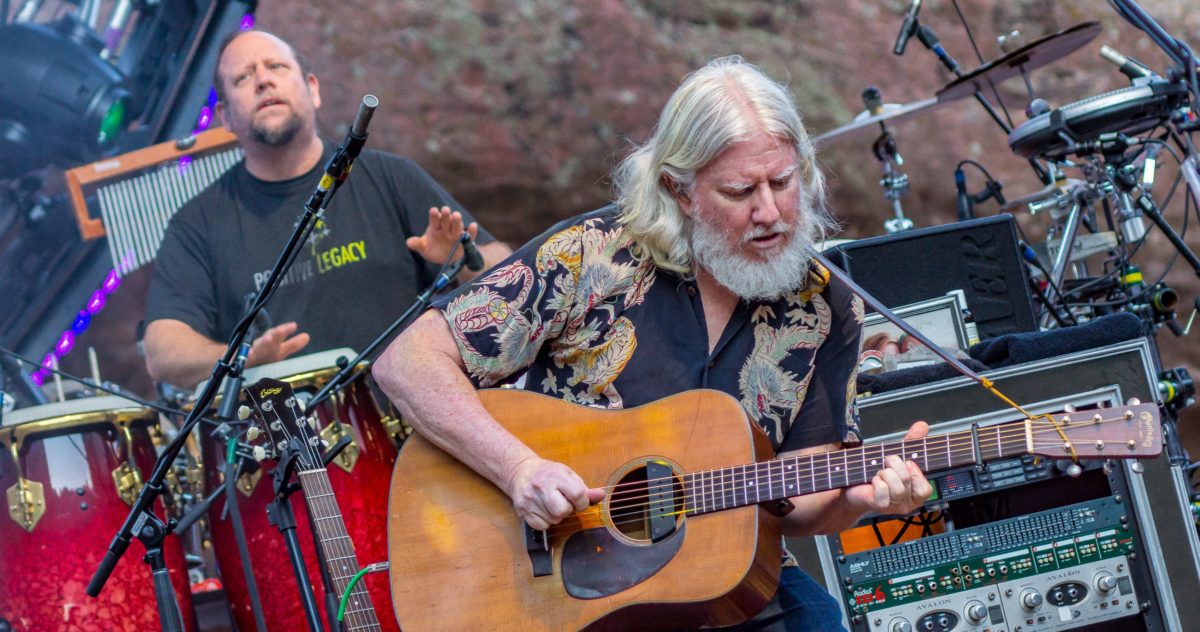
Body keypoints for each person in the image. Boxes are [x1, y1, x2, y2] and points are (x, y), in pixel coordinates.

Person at [372, 56, 932, 630]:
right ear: (679, 190)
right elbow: (406, 363)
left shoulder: (826, 301)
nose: (770, 212)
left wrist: (861, 500)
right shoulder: (589, 256)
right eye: (740, 191)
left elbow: (800, 498)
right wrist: (518, 469)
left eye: (783, 182)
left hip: (733, 577)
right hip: (569, 584)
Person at [143, 29, 510, 389]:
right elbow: (162, 351)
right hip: (288, 442)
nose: (263, 81)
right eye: (243, 77)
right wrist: (243, 357)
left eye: (276, 67)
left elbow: (510, 275)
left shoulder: (391, 176)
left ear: (313, 89)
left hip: (420, 426)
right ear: (224, 117)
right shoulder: (198, 223)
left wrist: (465, 261)